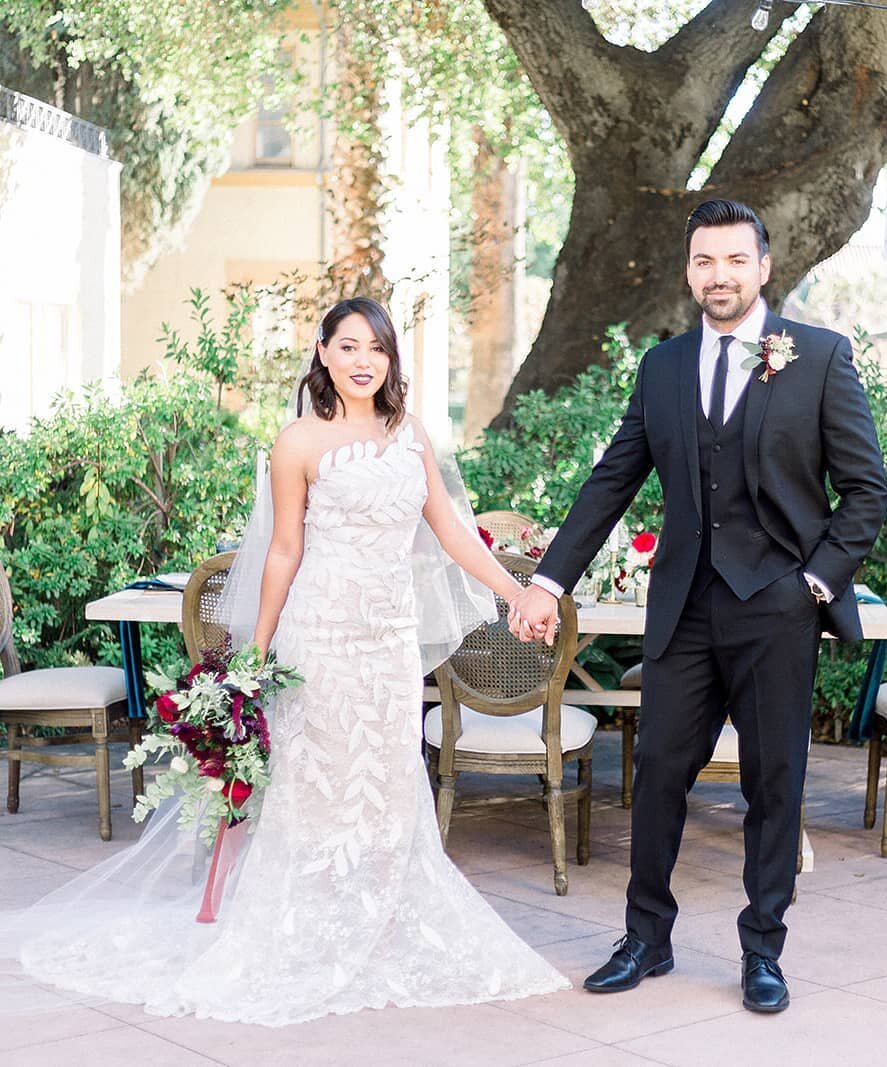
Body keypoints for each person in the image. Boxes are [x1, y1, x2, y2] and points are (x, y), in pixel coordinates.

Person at [1, 297, 568, 1025]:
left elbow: (455, 534)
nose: (364, 360)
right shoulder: (297, 440)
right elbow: (284, 550)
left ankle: (383, 913)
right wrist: (256, 654)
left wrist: (517, 592)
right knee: (315, 779)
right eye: (349, 345)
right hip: (321, 634)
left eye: (378, 348)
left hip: (388, 640)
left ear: (391, 360)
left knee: (388, 776)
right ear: (323, 353)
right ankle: (303, 917)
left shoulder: (410, 435)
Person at [509, 200, 887, 1013]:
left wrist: (813, 583)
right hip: (682, 606)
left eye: (733, 260)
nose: (718, 275)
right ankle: (646, 938)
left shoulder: (818, 356)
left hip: (776, 608)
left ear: (762, 266)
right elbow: (613, 479)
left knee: (773, 782)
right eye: (703, 262)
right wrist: (549, 579)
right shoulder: (663, 367)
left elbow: (865, 491)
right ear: (688, 271)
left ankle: (763, 949)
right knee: (656, 776)